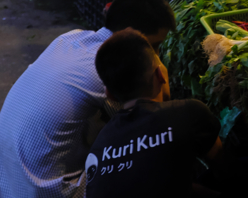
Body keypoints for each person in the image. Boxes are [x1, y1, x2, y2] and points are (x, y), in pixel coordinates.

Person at [0, 0, 176, 198]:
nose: (156, 56)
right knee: (147, 148)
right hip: (48, 191)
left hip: (6, 178)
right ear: (131, 34)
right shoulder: (110, 68)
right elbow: (149, 121)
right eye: (155, 46)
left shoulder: (69, 38)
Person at [86, 29, 221, 198]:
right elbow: (233, 177)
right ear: (160, 74)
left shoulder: (99, 146)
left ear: (110, 95)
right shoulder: (189, 113)